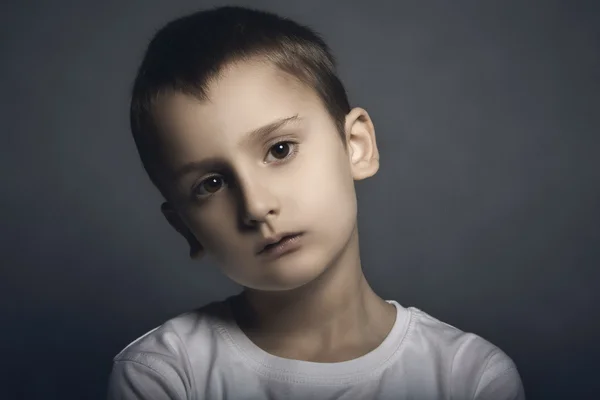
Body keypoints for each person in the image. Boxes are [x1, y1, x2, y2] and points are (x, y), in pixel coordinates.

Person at [107, 6, 525, 399]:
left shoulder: (467, 377)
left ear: (356, 146)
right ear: (184, 227)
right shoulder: (165, 375)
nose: (255, 206)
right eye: (212, 183)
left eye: (281, 150)